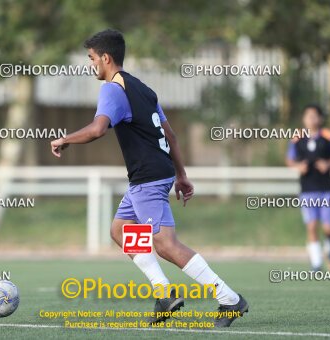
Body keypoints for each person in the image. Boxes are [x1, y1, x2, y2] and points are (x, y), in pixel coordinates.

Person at [51, 29, 248, 327]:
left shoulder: (112, 89)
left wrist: (65, 138)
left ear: (105, 58)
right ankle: (164, 293)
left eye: (91, 59)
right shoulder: (143, 88)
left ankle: (229, 298)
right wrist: (181, 175)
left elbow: (97, 129)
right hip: (154, 174)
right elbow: (170, 135)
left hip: (148, 177)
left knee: (166, 244)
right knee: (120, 230)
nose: (90, 65)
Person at [286, 104, 330, 271]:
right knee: (311, 226)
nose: (311, 119)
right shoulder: (297, 138)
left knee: (328, 228)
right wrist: (298, 166)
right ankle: (316, 262)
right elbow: (289, 160)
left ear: (320, 118)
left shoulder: (328, 137)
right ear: (304, 119)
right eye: (308, 116)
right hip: (307, 190)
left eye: (314, 116)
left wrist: (329, 163)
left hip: (326, 189)